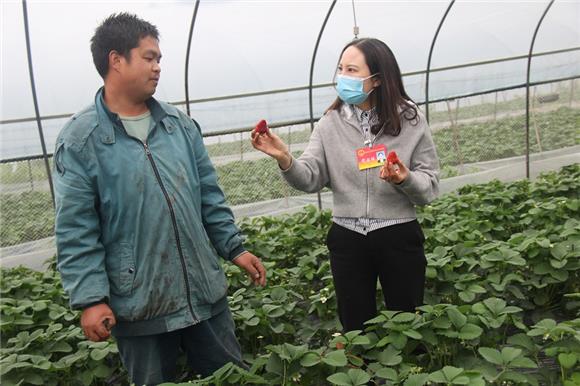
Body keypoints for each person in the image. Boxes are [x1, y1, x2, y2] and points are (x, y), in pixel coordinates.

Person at [53, 13, 266, 385]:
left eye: (160, 59)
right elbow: (76, 229)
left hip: (204, 294)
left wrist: (234, 248)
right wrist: (91, 299)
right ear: (116, 60)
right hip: (140, 306)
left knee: (231, 378)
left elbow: (209, 197)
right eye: (149, 58)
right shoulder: (81, 140)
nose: (158, 67)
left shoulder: (178, 126)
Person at [251, 38, 439, 332]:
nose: (342, 77)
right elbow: (310, 176)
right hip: (348, 238)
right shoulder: (329, 123)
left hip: (398, 234)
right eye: (340, 69)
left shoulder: (410, 119)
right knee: (355, 327)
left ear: (376, 80)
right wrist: (285, 158)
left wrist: (405, 178)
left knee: (407, 322)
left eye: (352, 70)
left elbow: (429, 187)